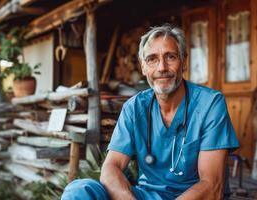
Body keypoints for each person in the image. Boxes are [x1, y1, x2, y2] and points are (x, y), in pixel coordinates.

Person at [61, 24, 240, 200]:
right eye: (152, 59)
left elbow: (212, 185)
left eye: (170, 57)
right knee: (78, 190)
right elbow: (111, 168)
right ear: (143, 67)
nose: (162, 67)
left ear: (184, 61)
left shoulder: (210, 104)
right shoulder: (134, 108)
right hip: (146, 196)